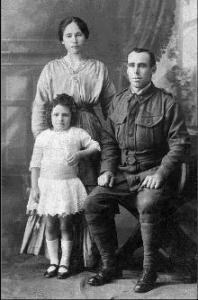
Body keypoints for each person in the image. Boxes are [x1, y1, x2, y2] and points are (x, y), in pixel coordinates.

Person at [84, 48, 190, 292]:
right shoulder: (117, 102)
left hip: (152, 175)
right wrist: (108, 169)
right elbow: (109, 141)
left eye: (142, 66)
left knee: (148, 205)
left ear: (152, 69)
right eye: (131, 65)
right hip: (122, 174)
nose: (136, 71)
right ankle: (111, 265)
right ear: (126, 68)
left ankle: (149, 271)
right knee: (93, 203)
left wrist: (161, 173)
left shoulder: (167, 103)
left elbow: (180, 144)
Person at [20, 16, 116, 268]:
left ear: (86, 37)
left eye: (79, 34)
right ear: (61, 39)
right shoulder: (51, 69)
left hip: (88, 132)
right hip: (57, 134)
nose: (74, 40)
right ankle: (62, 257)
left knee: (85, 191)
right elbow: (40, 106)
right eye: (69, 35)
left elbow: (112, 106)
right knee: (60, 192)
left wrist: (110, 142)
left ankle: (89, 255)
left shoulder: (98, 68)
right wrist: (43, 138)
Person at [26, 93, 101, 279]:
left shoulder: (77, 133)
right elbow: (35, 164)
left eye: (65, 115)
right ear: (50, 116)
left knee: (66, 225)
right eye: (56, 114)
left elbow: (96, 146)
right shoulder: (43, 136)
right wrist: (35, 188)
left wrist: (80, 155)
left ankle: (65, 263)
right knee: (50, 225)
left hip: (67, 186)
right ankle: (53, 262)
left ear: (71, 116)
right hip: (47, 187)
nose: (60, 119)